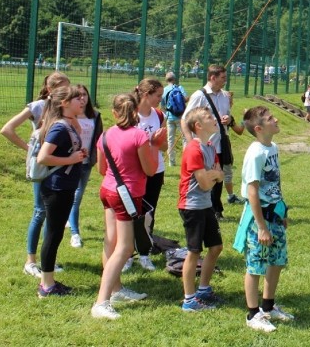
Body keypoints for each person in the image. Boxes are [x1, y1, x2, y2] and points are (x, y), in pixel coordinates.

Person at [91, 93, 157, 320]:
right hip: (127, 196)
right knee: (126, 248)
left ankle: (116, 289)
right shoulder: (139, 136)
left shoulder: (106, 134)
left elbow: (101, 169)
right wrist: (155, 146)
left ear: (114, 113)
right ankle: (102, 301)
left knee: (111, 241)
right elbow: (149, 170)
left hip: (107, 191)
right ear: (136, 111)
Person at [0, 71, 70, 278]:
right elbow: (7, 129)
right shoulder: (38, 106)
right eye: (63, 88)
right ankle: (30, 261)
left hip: (57, 166)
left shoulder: (64, 107)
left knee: (53, 213)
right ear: (50, 89)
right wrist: (30, 150)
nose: (68, 92)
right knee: (40, 211)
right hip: (42, 167)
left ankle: (48, 260)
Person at [233, 106, 294, 333]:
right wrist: (261, 227)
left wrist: (283, 211)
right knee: (256, 265)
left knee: (277, 261)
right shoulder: (255, 153)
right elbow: (252, 192)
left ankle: (268, 307)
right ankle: (253, 314)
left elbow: (275, 183)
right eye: (270, 119)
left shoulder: (273, 147)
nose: (276, 119)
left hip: (275, 215)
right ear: (259, 128)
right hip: (259, 219)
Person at [35, 85, 88, 297]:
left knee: (55, 233)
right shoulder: (58, 127)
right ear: (64, 103)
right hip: (56, 188)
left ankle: (48, 282)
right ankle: (46, 286)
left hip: (64, 186)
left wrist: (77, 153)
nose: (82, 101)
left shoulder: (68, 123)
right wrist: (70, 159)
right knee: (53, 234)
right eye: (77, 99)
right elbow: (43, 157)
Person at [177, 107, 225, 312]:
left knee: (216, 247)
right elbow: (206, 184)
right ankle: (189, 300)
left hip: (205, 205)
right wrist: (212, 175)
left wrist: (212, 175)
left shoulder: (211, 147)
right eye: (208, 117)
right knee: (194, 252)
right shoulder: (194, 149)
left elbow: (220, 176)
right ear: (198, 126)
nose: (214, 119)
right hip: (192, 206)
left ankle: (203, 289)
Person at [180, 64, 234, 220]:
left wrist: (228, 119)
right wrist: (191, 142)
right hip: (203, 145)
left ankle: (216, 209)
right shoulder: (199, 95)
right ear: (213, 77)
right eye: (223, 77)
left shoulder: (225, 96)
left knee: (219, 175)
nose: (226, 80)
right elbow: (185, 119)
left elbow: (227, 115)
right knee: (203, 177)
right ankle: (203, 208)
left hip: (219, 143)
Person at [126, 78, 168, 272]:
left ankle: (144, 253)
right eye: (158, 95)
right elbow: (124, 145)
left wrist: (157, 142)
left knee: (149, 213)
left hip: (156, 169)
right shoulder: (130, 115)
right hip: (135, 172)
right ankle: (126, 254)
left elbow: (165, 146)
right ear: (145, 94)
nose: (161, 99)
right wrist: (146, 143)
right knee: (130, 213)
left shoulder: (159, 115)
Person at [68, 84, 103, 248]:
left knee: (77, 196)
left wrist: (96, 157)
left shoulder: (94, 116)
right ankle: (75, 233)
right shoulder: (69, 116)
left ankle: (71, 222)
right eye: (78, 95)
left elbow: (99, 139)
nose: (82, 99)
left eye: (85, 95)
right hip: (69, 163)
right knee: (72, 197)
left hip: (86, 163)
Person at [161, 72, 188, 167]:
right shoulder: (179, 88)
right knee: (185, 138)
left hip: (169, 117)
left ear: (166, 79)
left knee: (170, 139)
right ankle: (185, 160)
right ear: (174, 79)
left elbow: (162, 106)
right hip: (180, 117)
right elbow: (185, 99)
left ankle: (171, 162)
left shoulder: (164, 90)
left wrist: (167, 114)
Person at [223, 90, 246, 205]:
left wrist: (243, 119)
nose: (232, 103)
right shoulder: (226, 116)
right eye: (230, 100)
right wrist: (244, 118)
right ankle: (230, 196)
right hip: (222, 146)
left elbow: (239, 131)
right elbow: (239, 131)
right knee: (227, 171)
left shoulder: (229, 117)